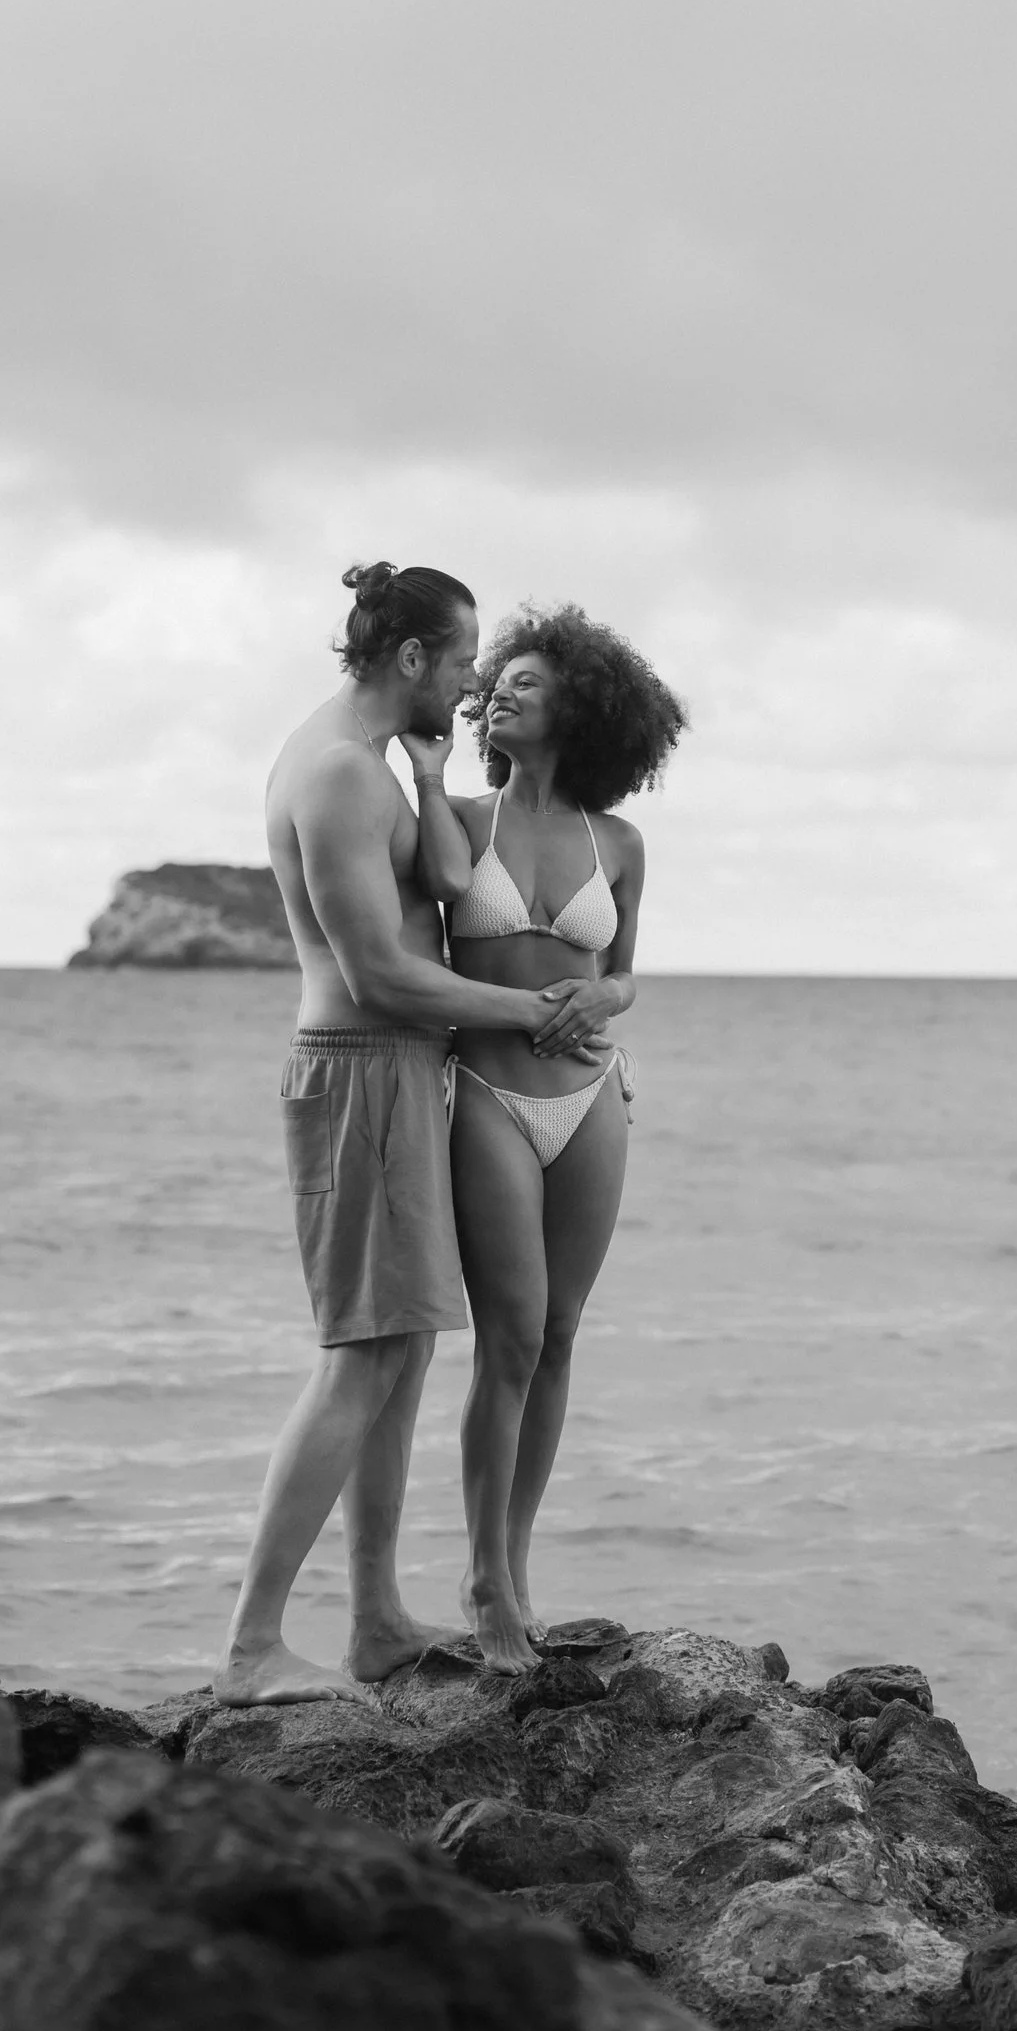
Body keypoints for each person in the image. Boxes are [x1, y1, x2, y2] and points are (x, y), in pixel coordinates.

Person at [216, 562, 600, 1702]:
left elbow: (436, 885)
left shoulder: (376, 765)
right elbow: (379, 973)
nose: (475, 682)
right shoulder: (340, 772)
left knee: (406, 1348)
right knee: (363, 1357)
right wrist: (526, 1011)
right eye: (465, 657)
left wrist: (433, 782)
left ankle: (376, 1622)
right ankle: (250, 1647)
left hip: (398, 1075)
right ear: (413, 657)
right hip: (361, 1072)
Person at [405, 603, 685, 1669]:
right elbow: (439, 893)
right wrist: (428, 773)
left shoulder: (620, 843)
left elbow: (625, 975)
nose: (500, 694)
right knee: (510, 1337)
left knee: (560, 1336)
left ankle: (517, 1572)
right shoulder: (461, 820)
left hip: (593, 1098)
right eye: (497, 683)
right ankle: (482, 1581)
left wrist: (605, 997)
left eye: (527, 681)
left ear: (582, 706)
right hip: (488, 1094)